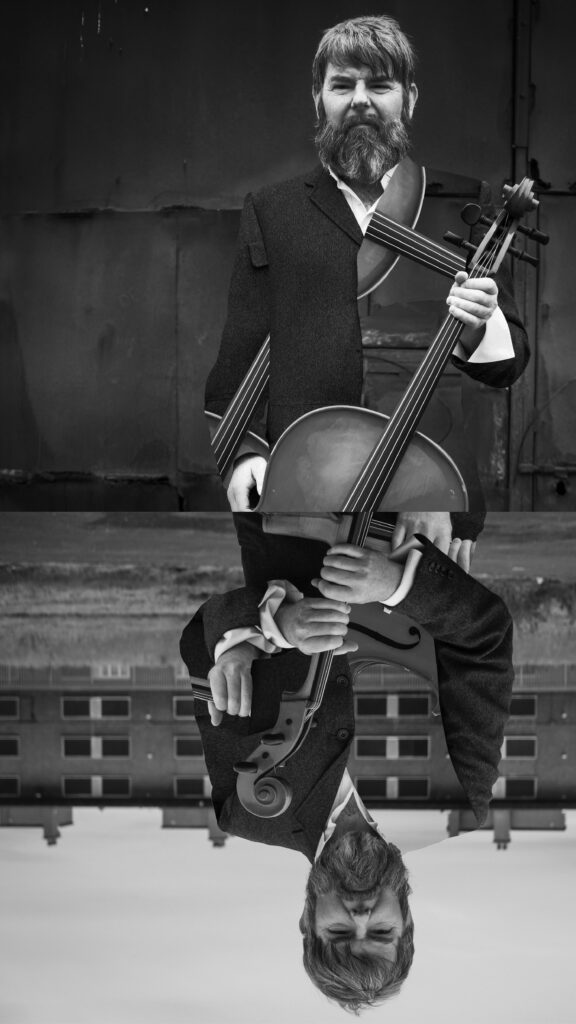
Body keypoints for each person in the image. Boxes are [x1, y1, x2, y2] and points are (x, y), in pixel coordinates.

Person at [205, 15, 529, 566]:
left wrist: (481, 320)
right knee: (298, 643)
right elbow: (242, 347)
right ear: (318, 98)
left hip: (431, 494)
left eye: (379, 85)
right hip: (303, 490)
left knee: (424, 647)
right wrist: (242, 455)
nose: (361, 100)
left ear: (409, 98)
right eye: (342, 85)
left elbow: (507, 364)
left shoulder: (465, 205)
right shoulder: (273, 209)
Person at [180, 534, 514, 1011]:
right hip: (412, 524)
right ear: (406, 920)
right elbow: (486, 636)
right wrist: (398, 584)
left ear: (307, 920)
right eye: (381, 930)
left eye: (339, 932)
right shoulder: (459, 805)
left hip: (283, 521)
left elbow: (198, 639)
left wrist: (262, 634)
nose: (361, 915)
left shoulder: (246, 809)